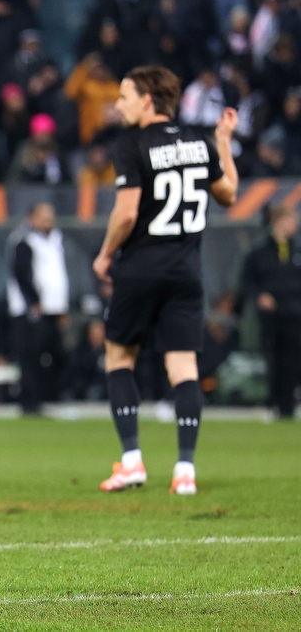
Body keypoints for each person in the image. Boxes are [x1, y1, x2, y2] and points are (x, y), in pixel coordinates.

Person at [92, 65, 238, 496]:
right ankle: (185, 469)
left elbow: (127, 214)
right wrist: (223, 141)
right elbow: (229, 194)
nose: (119, 105)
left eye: (125, 96)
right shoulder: (198, 141)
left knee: (119, 357)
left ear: (147, 100)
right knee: (183, 368)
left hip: (141, 266)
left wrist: (105, 253)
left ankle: (132, 462)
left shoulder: (133, 143)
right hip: (186, 271)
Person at [6, 203, 69, 415]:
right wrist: (34, 301)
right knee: (30, 356)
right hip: (31, 310)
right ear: (32, 218)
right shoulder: (24, 240)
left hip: (52, 308)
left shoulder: (55, 239)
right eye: (43, 217)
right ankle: (29, 400)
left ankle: (48, 395)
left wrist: (62, 307)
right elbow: (21, 273)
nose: (49, 221)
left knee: (50, 355)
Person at [241, 205, 301, 420]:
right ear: (278, 222)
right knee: (273, 359)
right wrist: (260, 296)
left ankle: (288, 405)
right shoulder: (259, 254)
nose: (295, 225)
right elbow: (247, 281)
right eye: (291, 220)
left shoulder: (297, 251)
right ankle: (274, 402)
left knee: (293, 360)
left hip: (296, 315)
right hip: (271, 317)